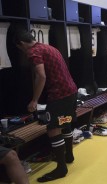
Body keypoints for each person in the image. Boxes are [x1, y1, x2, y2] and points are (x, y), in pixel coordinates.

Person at [14, 31, 77, 182]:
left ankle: (61, 168)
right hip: (71, 90)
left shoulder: (33, 51)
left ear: (22, 44)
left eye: (20, 49)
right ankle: (68, 155)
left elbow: (41, 76)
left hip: (59, 94)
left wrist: (34, 100)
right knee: (64, 122)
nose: (22, 52)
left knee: (53, 129)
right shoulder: (49, 47)